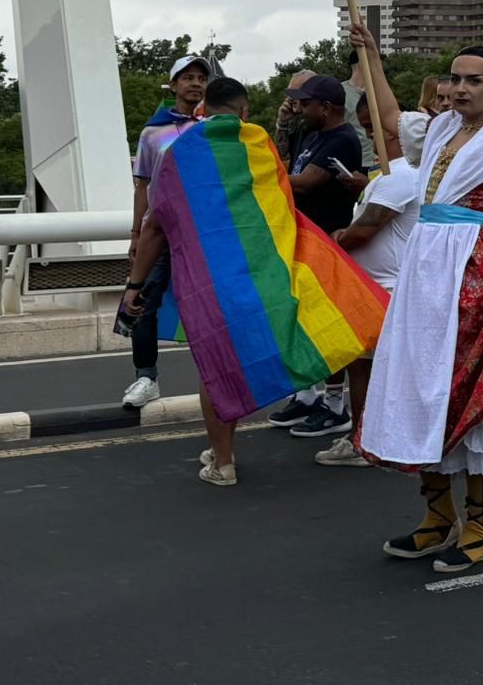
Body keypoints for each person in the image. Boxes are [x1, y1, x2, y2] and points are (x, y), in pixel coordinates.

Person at [361, 43, 483, 574]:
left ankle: (477, 526)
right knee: (420, 387)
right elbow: (386, 116)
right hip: (425, 272)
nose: (462, 88)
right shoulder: (439, 131)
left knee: (474, 392)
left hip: (481, 272)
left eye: (474, 80)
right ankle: (435, 518)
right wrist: (372, 58)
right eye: (456, 79)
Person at [124, 77, 255, 486]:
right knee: (236, 362)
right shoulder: (259, 147)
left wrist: (134, 285)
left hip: (201, 273)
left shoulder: (181, 152)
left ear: (204, 109)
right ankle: (223, 448)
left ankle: (223, 460)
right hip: (252, 270)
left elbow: (156, 227)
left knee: (213, 366)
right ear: (244, 113)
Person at [317, 93, 421, 467]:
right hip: (372, 288)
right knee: (363, 366)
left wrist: (333, 238)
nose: (369, 138)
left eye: (370, 129)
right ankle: (366, 437)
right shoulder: (384, 178)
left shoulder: (400, 176)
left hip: (387, 291)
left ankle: (366, 441)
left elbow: (363, 232)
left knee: (367, 368)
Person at [268, 74, 365, 438]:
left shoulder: (341, 139)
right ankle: (307, 395)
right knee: (303, 321)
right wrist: (283, 126)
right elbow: (287, 162)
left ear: (327, 107)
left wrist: (257, 174)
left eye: (305, 103)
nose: (299, 107)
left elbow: (305, 182)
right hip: (304, 239)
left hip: (327, 241)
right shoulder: (313, 134)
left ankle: (335, 406)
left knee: (326, 324)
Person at [118, 55, 210, 402]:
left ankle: (216, 375)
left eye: (201, 78)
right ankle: (146, 378)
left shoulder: (211, 126)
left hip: (200, 232)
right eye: (187, 77)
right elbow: (142, 185)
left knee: (209, 304)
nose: (195, 83)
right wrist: (136, 233)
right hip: (158, 231)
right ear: (173, 85)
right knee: (141, 298)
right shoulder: (153, 132)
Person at [342, 48, 378, 174]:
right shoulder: (340, 93)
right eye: (374, 61)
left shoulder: (378, 93)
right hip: (356, 164)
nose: (378, 66)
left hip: (379, 162)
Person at [273, 68, 314, 161]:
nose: (290, 98)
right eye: (289, 93)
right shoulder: (301, 126)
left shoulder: (322, 127)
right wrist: (282, 123)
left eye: (295, 93)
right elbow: (282, 156)